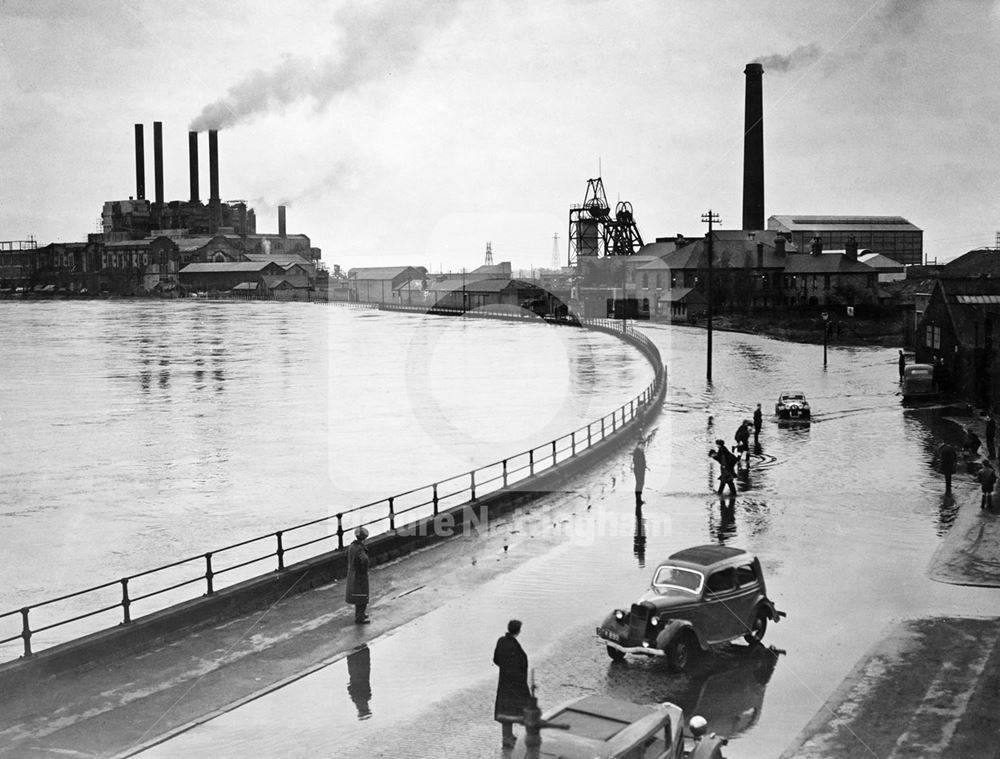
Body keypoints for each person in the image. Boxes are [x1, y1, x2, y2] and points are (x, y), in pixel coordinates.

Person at [493, 619, 532, 749]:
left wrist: (505, 668)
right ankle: (517, 739)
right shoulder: (515, 647)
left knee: (505, 710)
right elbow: (521, 665)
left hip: (504, 682)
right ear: (518, 631)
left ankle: (507, 737)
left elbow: (496, 659)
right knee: (523, 708)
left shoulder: (501, 641)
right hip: (516, 683)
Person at [345, 526, 370, 624]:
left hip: (352, 574)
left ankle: (359, 614)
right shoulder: (360, 549)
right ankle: (360, 617)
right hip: (360, 575)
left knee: (357, 595)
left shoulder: (352, 546)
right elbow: (364, 560)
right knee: (363, 596)